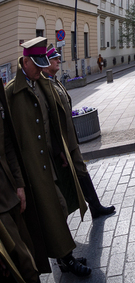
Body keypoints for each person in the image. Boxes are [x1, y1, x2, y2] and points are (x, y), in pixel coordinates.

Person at [6, 38, 90, 277]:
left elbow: (51, 122)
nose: (41, 69)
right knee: (56, 209)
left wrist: (59, 150)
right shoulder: (12, 92)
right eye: (37, 64)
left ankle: (65, 256)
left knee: (60, 207)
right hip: (33, 168)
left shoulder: (42, 83)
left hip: (51, 162)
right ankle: (66, 259)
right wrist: (19, 180)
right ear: (24, 62)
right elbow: (9, 141)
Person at [42, 48, 115, 219]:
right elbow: (49, 121)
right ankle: (69, 217)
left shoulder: (54, 81)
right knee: (70, 176)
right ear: (46, 63)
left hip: (70, 139)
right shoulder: (46, 85)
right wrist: (59, 147)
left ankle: (95, 207)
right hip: (63, 143)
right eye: (54, 59)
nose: (58, 61)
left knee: (80, 170)